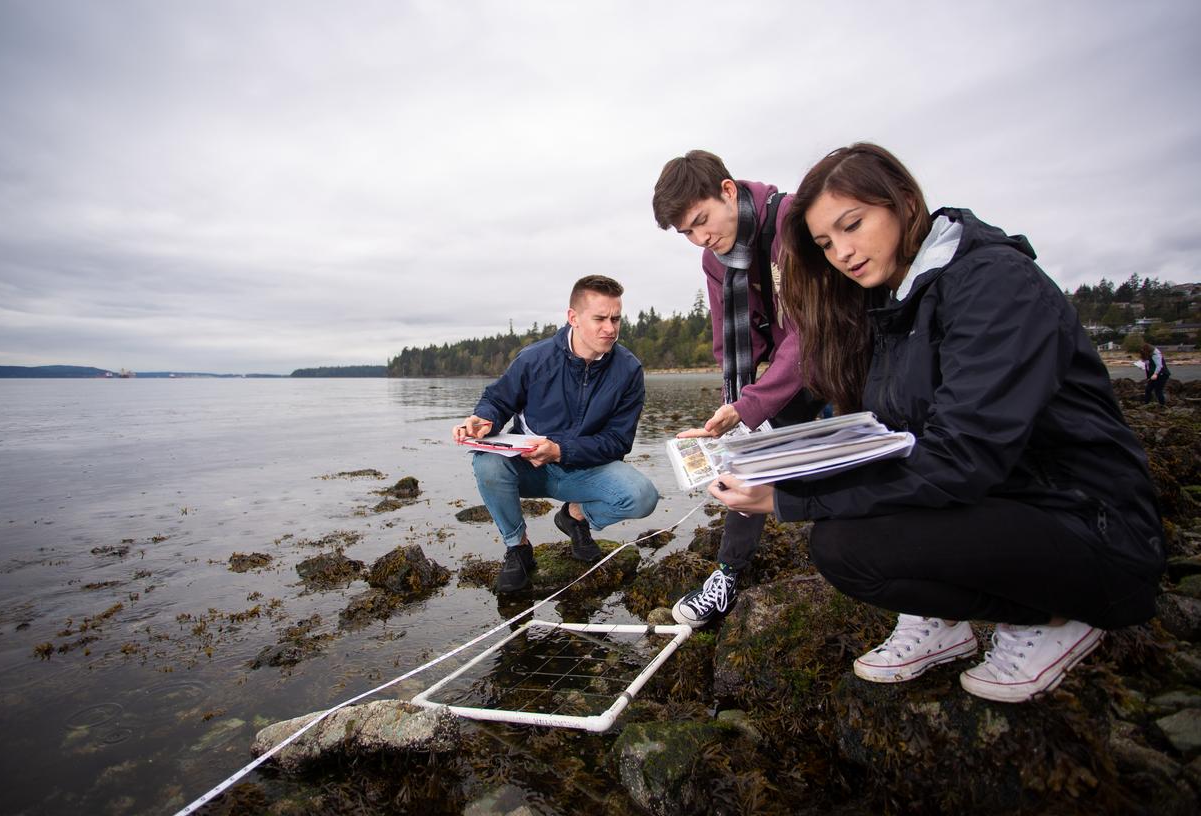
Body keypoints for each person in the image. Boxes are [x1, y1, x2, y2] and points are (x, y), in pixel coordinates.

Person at [710, 143, 1165, 703]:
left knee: (846, 546)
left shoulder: (992, 283)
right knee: (841, 548)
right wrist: (781, 466)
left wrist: (788, 501)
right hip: (1005, 501)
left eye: (853, 225)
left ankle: (1058, 618)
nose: (843, 253)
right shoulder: (896, 302)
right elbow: (888, 436)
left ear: (903, 201)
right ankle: (942, 623)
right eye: (826, 244)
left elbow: (958, 459)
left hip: (1088, 527)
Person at [652, 150, 822, 628]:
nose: (701, 238)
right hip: (789, 364)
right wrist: (734, 408)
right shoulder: (715, 259)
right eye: (687, 232)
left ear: (728, 191)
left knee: (865, 457)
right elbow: (731, 336)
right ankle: (726, 575)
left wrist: (751, 405)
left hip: (839, 352)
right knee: (744, 455)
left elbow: (809, 333)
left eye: (702, 221)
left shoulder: (792, 221)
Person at [453, 275, 659, 593]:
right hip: (530, 468)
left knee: (643, 496)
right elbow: (497, 401)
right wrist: (484, 420)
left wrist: (560, 450)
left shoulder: (628, 370)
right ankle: (518, 548)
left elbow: (619, 441)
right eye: (600, 318)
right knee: (486, 463)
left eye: (616, 318)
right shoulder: (535, 359)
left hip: (585, 470)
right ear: (573, 318)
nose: (610, 328)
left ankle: (574, 515)